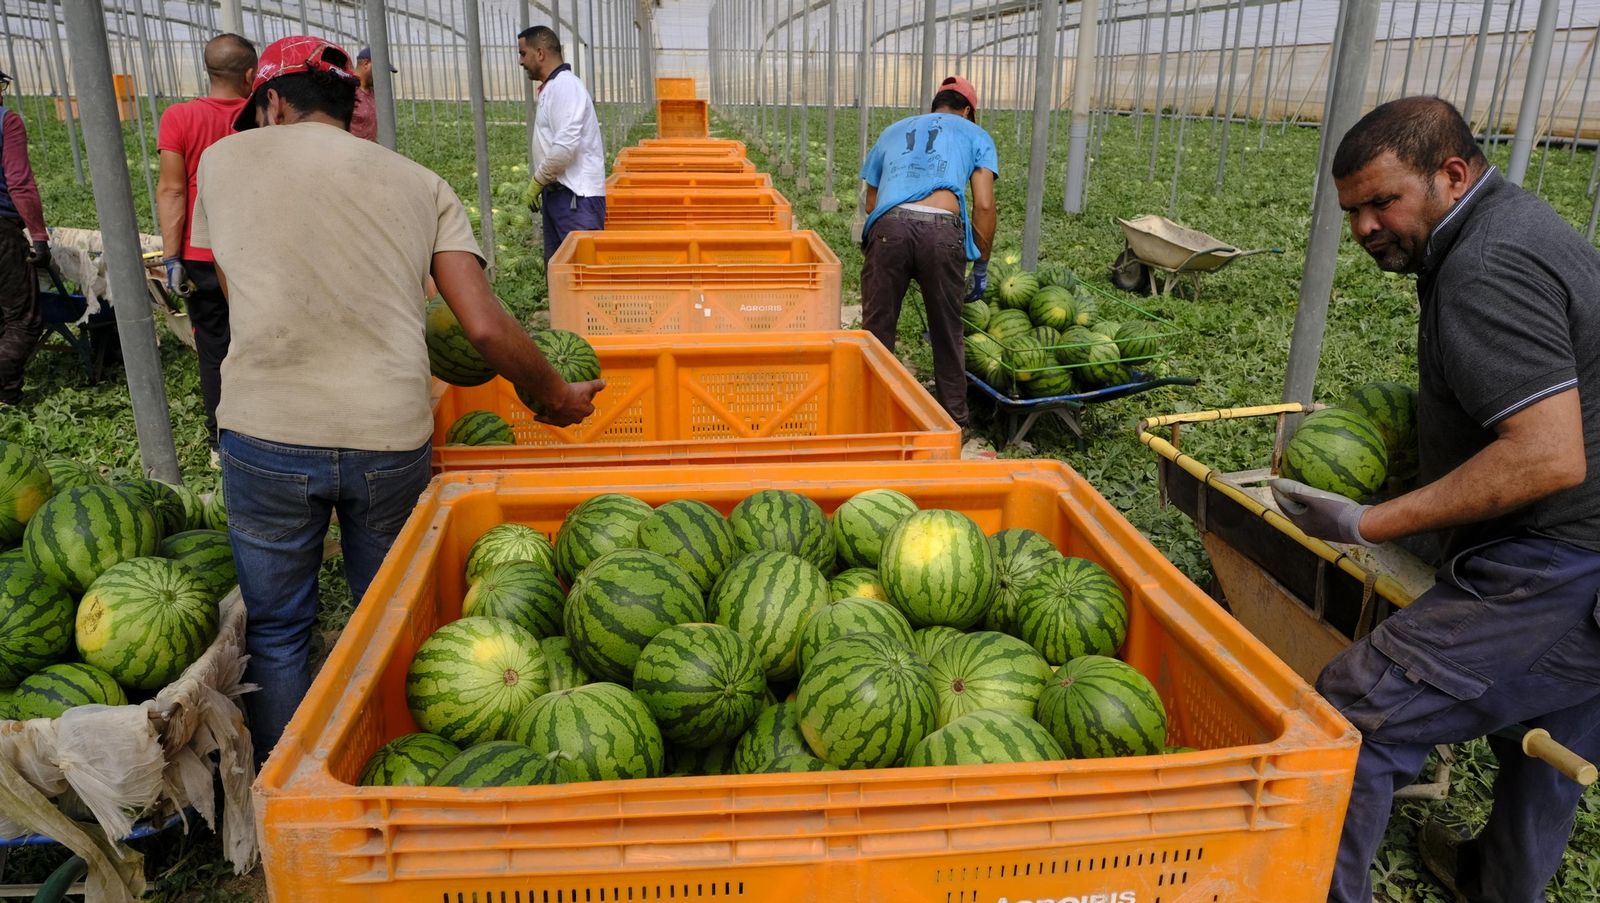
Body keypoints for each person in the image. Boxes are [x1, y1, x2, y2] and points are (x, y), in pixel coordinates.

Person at [190, 35, 603, 766]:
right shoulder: (418, 181)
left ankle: (287, 787)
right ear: (354, 109)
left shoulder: (221, 163)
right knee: (391, 617)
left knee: (282, 626)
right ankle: (392, 759)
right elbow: (480, 322)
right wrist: (555, 396)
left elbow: (232, 288)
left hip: (265, 429)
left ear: (273, 101)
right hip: (388, 432)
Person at [1271, 96, 1600, 903]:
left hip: (1560, 564)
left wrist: (1367, 520)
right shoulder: (1522, 222)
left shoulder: (1486, 265)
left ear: (1452, 174)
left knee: (1356, 713)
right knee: (1549, 736)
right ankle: (1496, 883)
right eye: (1352, 211)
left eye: (1384, 202)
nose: (1364, 229)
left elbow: (1548, 453)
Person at [858, 75, 997, 430]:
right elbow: (983, 204)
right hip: (942, 233)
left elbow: (871, 201)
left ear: (936, 105)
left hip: (889, 226)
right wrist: (980, 263)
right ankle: (954, 421)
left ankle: (869, 416)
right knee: (946, 331)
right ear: (967, 111)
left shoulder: (893, 130)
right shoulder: (974, 134)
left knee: (876, 331)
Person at [157, 33, 257, 462]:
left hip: (200, 256)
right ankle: (270, 432)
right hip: (256, 252)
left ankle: (223, 442)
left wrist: (172, 256)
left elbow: (173, 190)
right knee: (263, 342)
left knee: (215, 347)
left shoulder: (179, 117)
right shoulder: (266, 118)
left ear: (208, 70)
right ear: (251, 74)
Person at [516, 25, 605, 263]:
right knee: (560, 275)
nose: (521, 61)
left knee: (581, 276)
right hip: (560, 196)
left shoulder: (565, 87)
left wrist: (537, 180)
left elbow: (564, 148)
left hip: (576, 200)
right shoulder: (553, 88)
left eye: (523, 54)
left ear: (540, 53)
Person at [0, 68, 49, 408]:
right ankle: (5, 396)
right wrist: (39, 236)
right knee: (23, 319)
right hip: (2, 231)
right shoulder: (7, 121)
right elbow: (19, 182)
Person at [349, 46, 394, 143]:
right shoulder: (347, 90)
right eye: (380, 70)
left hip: (369, 152)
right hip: (350, 151)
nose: (382, 75)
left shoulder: (374, 92)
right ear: (366, 64)